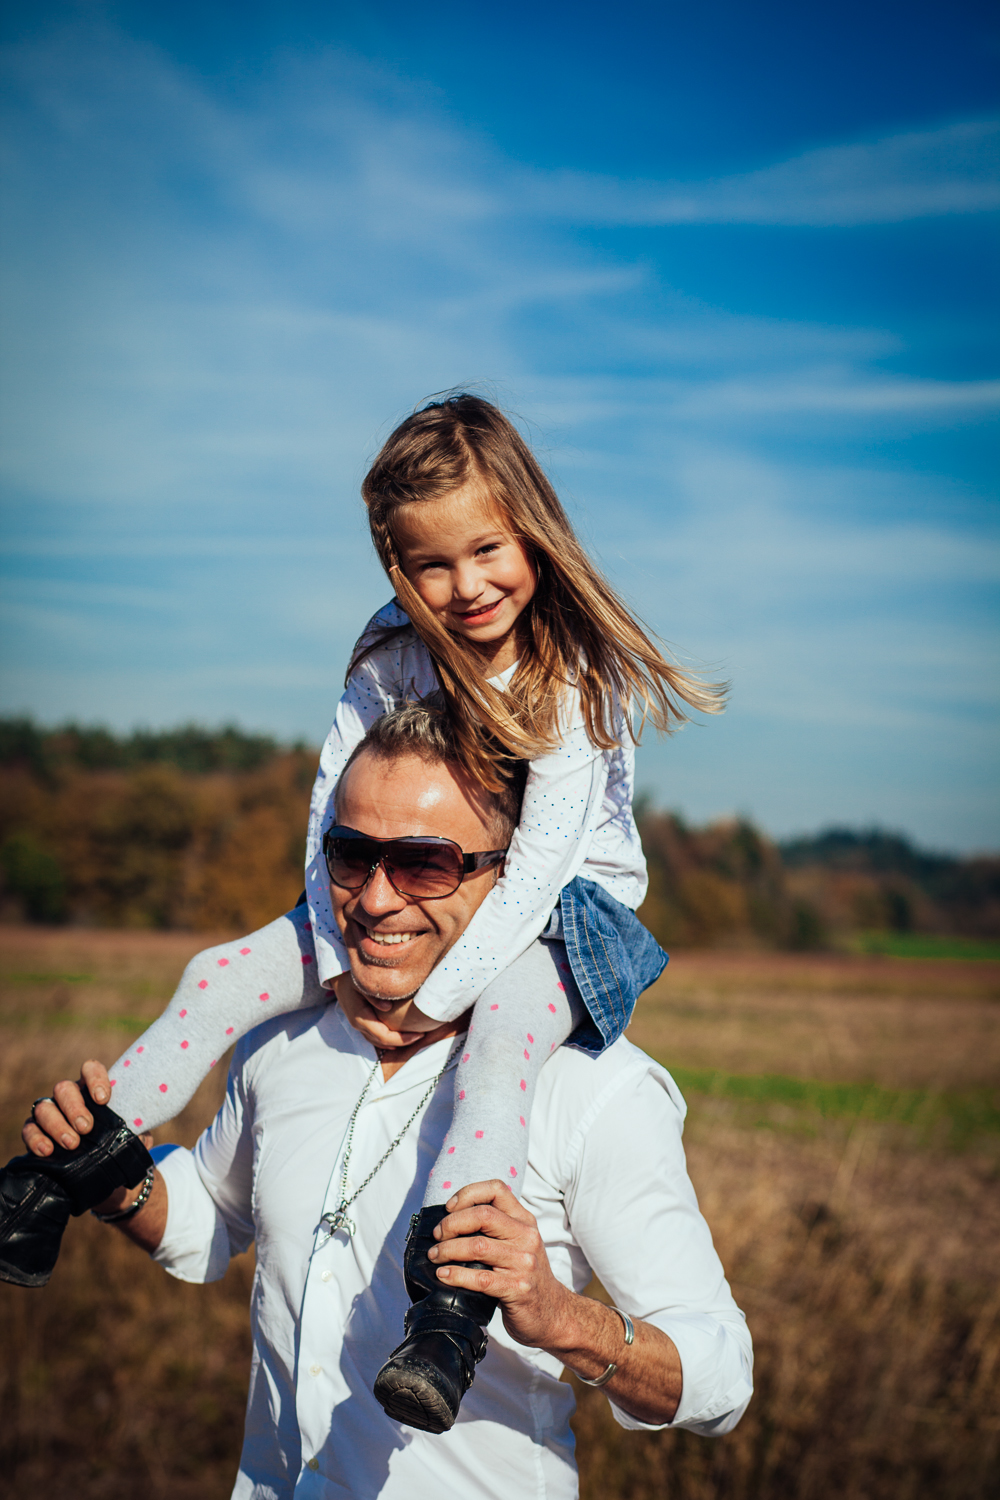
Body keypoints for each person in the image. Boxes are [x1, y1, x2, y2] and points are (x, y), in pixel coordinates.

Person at [0, 394, 723, 1429]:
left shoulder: (565, 675)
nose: (466, 587)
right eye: (431, 564)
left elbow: (533, 872)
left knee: (501, 1045)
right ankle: (51, 1176)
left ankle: (449, 1313)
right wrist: (336, 953)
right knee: (218, 975)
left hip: (565, 910)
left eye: (487, 550)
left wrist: (428, 1001)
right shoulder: (392, 645)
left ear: (532, 531)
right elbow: (330, 807)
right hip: (415, 878)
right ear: (394, 563)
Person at [20, 706, 752, 1500]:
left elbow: (722, 1378)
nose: (375, 899)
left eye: (425, 865)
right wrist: (116, 1179)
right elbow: (211, 1223)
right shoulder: (281, 1043)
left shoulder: (596, 1091)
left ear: (514, 878)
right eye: (351, 854)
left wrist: (557, 1315)